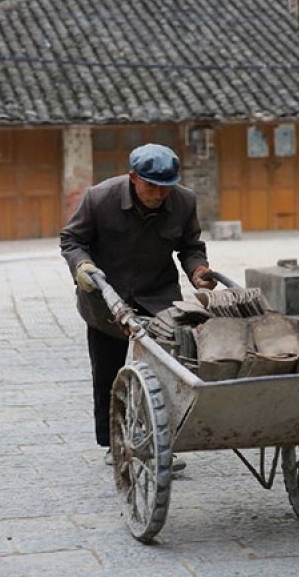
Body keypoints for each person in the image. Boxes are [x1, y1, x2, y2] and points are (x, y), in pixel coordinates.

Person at [59, 143, 217, 470]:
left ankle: (162, 442)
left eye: (166, 187)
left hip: (158, 296)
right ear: (133, 177)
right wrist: (82, 267)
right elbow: (72, 240)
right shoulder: (99, 199)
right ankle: (114, 442)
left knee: (165, 370)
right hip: (105, 297)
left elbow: (190, 247)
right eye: (151, 186)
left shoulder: (183, 201)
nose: (159, 195)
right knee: (108, 373)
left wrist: (198, 271)